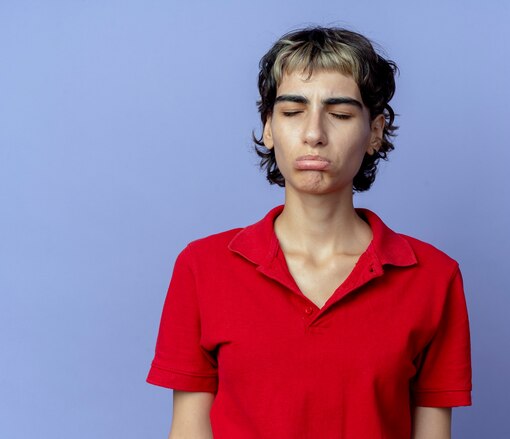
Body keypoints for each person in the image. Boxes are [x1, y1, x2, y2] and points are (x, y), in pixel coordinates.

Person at [147, 26, 472, 439]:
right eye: (292, 111)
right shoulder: (202, 267)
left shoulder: (432, 277)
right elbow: (189, 432)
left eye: (339, 114)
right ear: (268, 127)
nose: (314, 133)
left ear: (375, 131)